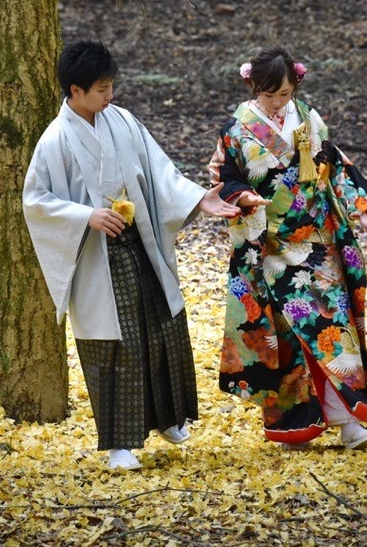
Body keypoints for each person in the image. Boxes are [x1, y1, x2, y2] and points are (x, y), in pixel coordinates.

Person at [23, 40, 241, 471]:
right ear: (75, 91)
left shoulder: (122, 121)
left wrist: (199, 200)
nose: (110, 96)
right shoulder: (54, 141)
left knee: (161, 323)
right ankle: (120, 446)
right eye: (101, 89)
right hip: (96, 252)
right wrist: (86, 215)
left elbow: (159, 170)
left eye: (110, 86)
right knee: (116, 344)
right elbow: (35, 201)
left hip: (138, 238)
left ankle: (168, 418)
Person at [207, 46, 367, 450]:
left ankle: (349, 421)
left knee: (332, 327)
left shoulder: (308, 118)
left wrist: (361, 213)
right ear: (253, 86)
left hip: (317, 240)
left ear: (296, 85)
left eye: (285, 94)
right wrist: (244, 198)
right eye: (269, 95)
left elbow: (333, 165)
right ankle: (296, 425)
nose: (277, 102)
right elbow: (225, 176)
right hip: (270, 242)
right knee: (287, 337)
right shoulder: (236, 130)